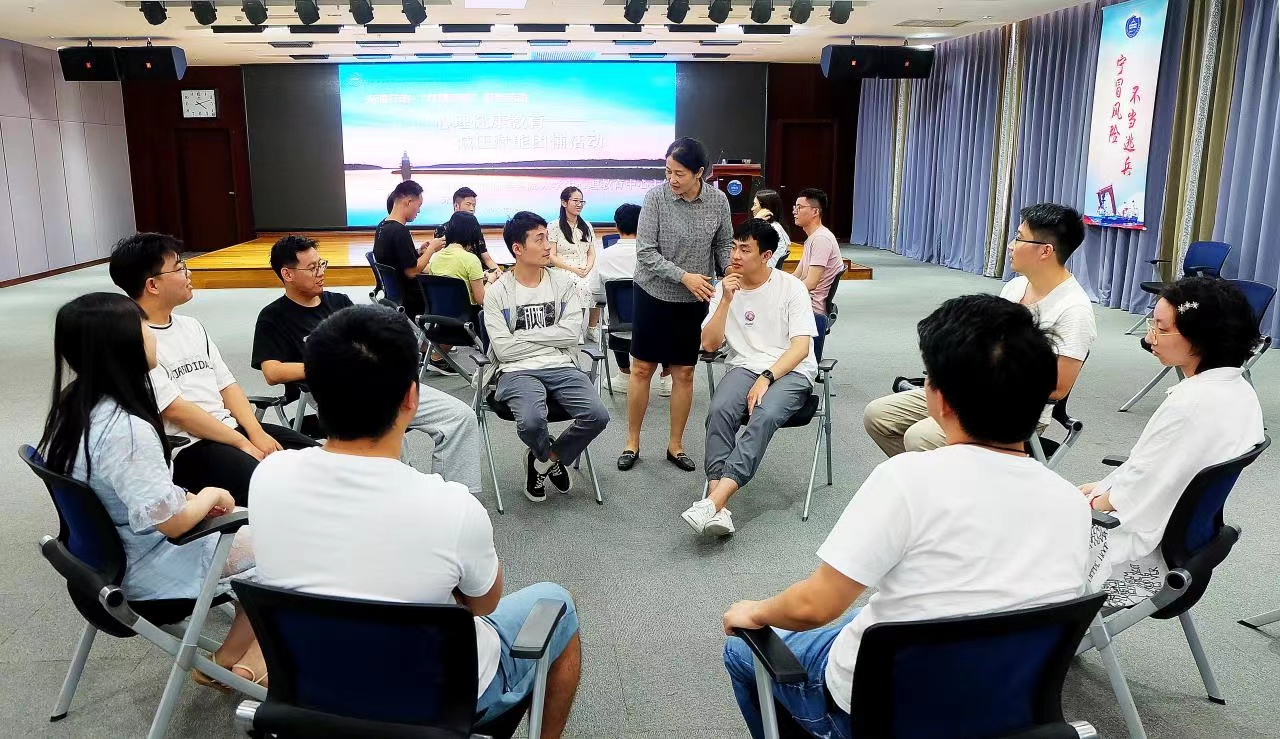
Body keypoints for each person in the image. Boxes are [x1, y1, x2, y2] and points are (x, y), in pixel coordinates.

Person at [721, 294, 1091, 738]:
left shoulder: (907, 479)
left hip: (884, 711)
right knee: (866, 618)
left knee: (741, 651)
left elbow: (815, 605)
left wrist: (756, 610)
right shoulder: (1071, 502)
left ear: (940, 401)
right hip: (1003, 707)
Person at [249, 305, 581, 736]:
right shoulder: (452, 507)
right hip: (438, 700)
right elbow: (482, 605)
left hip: (314, 690)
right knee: (557, 601)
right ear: (411, 398)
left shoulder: (268, 477)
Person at [38, 292, 266, 686]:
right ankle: (235, 662)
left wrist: (187, 498)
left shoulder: (71, 406)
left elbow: (128, 493)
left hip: (102, 564)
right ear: (122, 344)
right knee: (290, 548)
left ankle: (242, 657)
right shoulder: (126, 431)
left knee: (261, 538)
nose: (153, 334)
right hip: (148, 571)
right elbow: (173, 524)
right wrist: (210, 495)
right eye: (143, 326)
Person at [251, 235, 483, 497]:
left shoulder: (338, 302)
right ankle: (398, 499)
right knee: (386, 431)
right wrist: (332, 365)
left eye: (322, 264)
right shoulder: (274, 317)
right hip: (335, 393)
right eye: (312, 268)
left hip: (382, 381)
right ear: (288, 274)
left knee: (460, 417)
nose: (321, 273)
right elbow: (272, 372)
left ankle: (454, 499)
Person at [1081, 277, 1264, 608]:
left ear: (1201, 338)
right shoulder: (1240, 391)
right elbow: (1160, 470)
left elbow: (1137, 492)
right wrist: (1104, 487)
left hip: (1139, 559)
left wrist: (1092, 502)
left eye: (1162, 329)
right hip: (1186, 547)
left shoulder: (1189, 406)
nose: (1150, 337)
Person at [864, 203, 1098, 456]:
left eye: (1019, 238)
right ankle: (936, 476)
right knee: (878, 416)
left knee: (921, 438)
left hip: (1013, 410)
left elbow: (1058, 387)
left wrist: (981, 384)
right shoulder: (1016, 287)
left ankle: (950, 477)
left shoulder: (1074, 309)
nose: (1011, 245)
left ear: (1045, 251)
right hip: (969, 388)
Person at [108, 233, 315, 506]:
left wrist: (255, 432)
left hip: (231, 430)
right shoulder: (135, 340)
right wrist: (243, 443)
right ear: (152, 285)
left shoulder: (191, 326)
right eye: (180, 268)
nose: (188, 273)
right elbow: (176, 410)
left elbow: (227, 385)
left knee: (321, 459)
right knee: (277, 486)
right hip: (190, 447)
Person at [681, 219, 817, 537]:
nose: (735, 255)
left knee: (764, 414)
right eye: (734, 247)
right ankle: (717, 505)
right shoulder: (724, 288)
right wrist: (726, 300)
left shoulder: (791, 287)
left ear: (766, 255)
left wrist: (767, 377)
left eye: (745, 249)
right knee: (719, 411)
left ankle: (714, 501)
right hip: (744, 366)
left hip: (791, 370)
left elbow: (801, 348)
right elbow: (709, 345)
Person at [622, 137, 733, 473]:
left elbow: (723, 245)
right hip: (652, 293)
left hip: (694, 299)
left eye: (679, 173)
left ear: (699, 173)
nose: (671, 178)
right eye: (668, 171)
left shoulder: (718, 201)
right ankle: (632, 442)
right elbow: (645, 252)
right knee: (642, 368)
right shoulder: (655, 198)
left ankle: (676, 445)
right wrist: (684, 276)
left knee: (684, 372)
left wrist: (730, 273)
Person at [484, 211, 611, 502]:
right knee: (531, 422)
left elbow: (571, 334)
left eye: (547, 238)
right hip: (515, 371)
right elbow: (504, 350)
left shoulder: (562, 284)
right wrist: (549, 338)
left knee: (597, 415)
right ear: (518, 248)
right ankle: (546, 455)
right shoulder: (497, 292)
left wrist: (522, 336)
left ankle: (544, 459)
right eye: (540, 240)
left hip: (562, 365)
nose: (547, 246)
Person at [585, 203, 669, 395]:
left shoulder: (604, 257)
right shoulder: (658, 256)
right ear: (644, 224)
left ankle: (624, 375)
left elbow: (595, 292)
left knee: (609, 311)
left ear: (617, 226)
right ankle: (667, 376)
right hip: (658, 329)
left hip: (620, 328)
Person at [373, 179, 446, 320]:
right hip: (412, 297)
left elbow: (394, 258)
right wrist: (431, 249)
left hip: (395, 293)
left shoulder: (382, 226)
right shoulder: (400, 231)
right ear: (409, 202)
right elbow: (412, 272)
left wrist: (418, 252)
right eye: (419, 205)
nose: (419, 210)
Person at [790, 188, 844, 361]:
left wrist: (783, 295)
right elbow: (797, 275)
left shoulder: (821, 239)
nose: (795, 211)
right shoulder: (812, 238)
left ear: (815, 211)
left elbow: (811, 283)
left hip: (812, 310)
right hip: (805, 303)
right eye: (795, 207)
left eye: (800, 207)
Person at [547, 186, 599, 341]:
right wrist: (574, 269)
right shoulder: (554, 226)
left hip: (585, 267)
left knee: (598, 284)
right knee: (579, 285)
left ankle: (592, 328)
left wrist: (588, 268)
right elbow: (552, 256)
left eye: (581, 201)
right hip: (564, 267)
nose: (579, 204)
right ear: (564, 202)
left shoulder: (587, 226)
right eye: (575, 201)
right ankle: (577, 329)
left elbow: (591, 253)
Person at [430, 211, 501, 308]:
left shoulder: (435, 257)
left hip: (440, 313)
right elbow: (481, 299)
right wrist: (491, 280)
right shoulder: (471, 259)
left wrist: (480, 276)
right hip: (467, 314)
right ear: (473, 235)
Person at [434, 186, 502, 273]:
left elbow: (486, 258)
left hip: (478, 271)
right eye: (468, 204)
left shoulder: (475, 228)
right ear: (456, 205)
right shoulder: (442, 229)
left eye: (474, 205)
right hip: (458, 273)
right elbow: (442, 259)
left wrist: (500, 274)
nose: (472, 209)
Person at [751, 188, 792, 268]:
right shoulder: (775, 226)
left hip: (763, 272)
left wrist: (756, 220)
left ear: (765, 209)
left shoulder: (771, 229)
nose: (752, 208)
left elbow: (743, 242)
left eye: (755, 205)